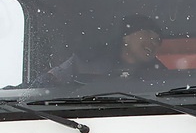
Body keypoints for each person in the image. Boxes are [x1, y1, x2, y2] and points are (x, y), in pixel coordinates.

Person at [36, 15, 164, 86]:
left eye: (158, 40)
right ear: (126, 37)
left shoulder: (161, 74)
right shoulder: (85, 62)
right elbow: (45, 83)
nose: (154, 42)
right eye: (148, 33)